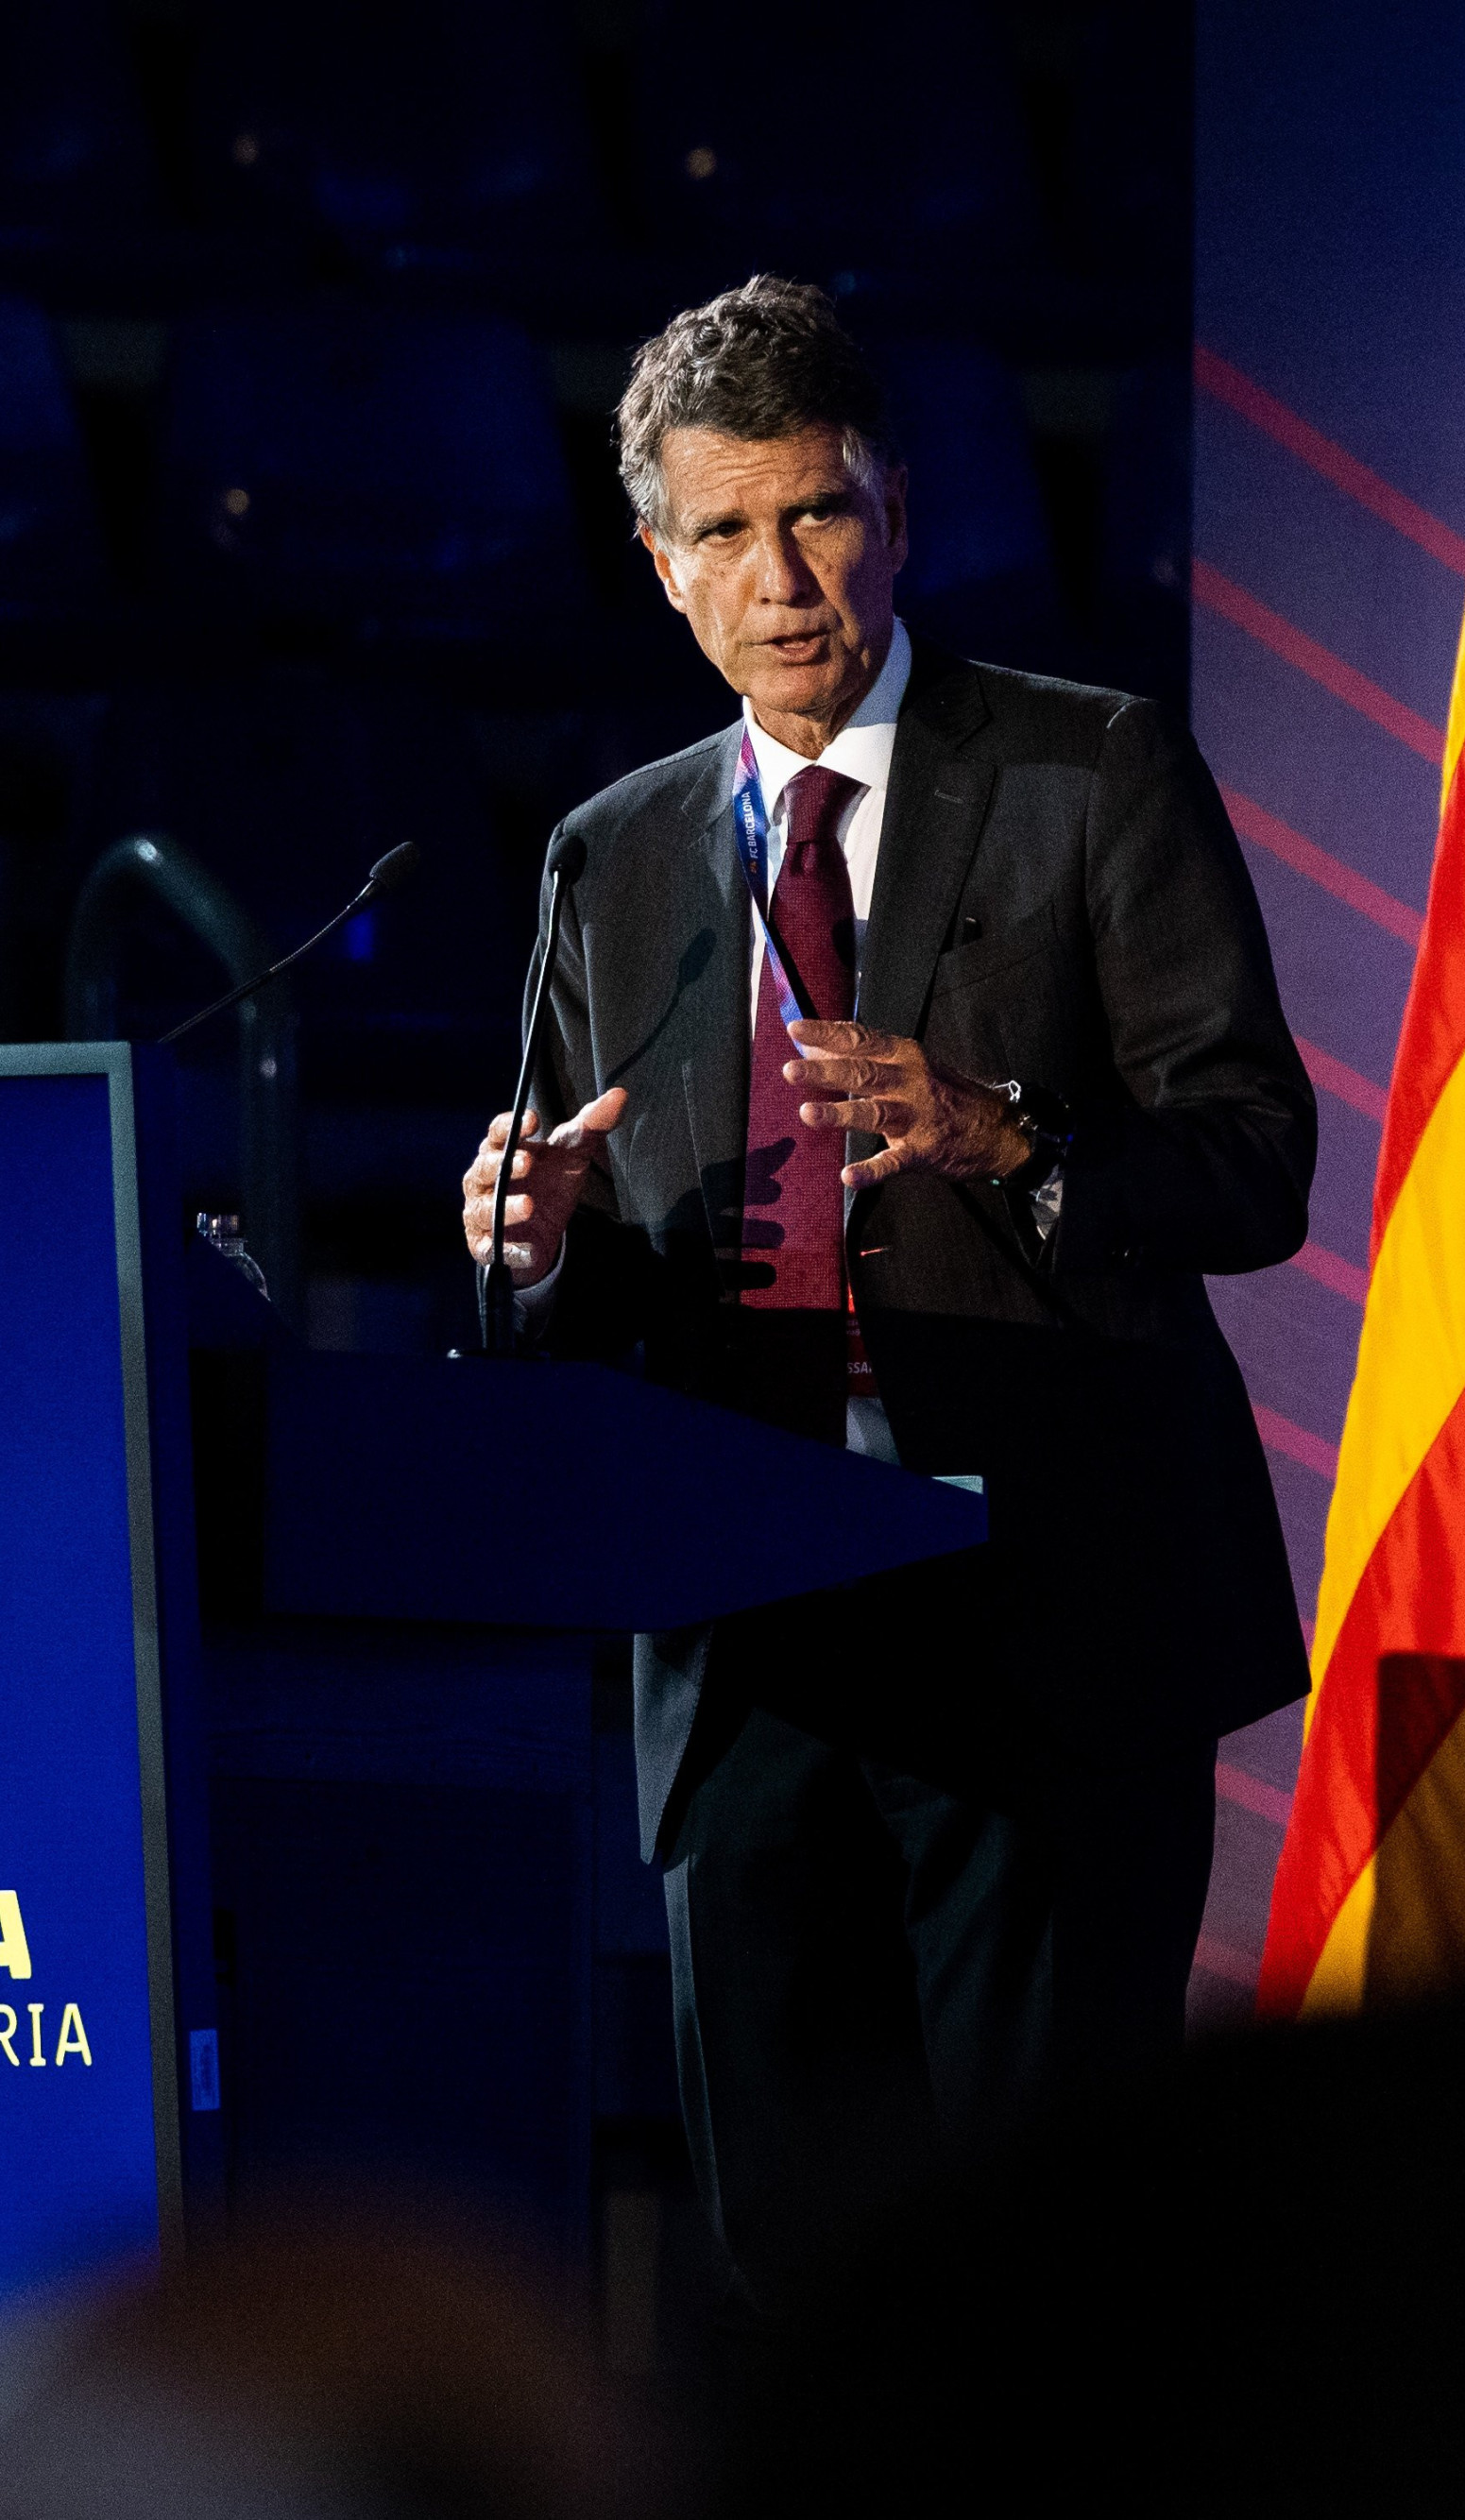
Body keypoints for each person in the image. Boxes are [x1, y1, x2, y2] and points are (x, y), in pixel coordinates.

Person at [456, 276, 1315, 2307]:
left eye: (818, 513)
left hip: (1040, 1614)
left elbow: (1253, 1162)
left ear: (897, 512)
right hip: (750, 1642)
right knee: (789, 2270)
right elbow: (574, 1328)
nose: (782, 576)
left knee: (1044, 2266)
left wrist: (1004, 1135)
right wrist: (537, 1240)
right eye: (727, 532)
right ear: (660, 568)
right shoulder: (611, 857)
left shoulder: (1085, 770)